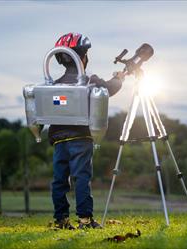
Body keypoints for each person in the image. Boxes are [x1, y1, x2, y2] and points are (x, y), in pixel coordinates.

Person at [49, 33, 124, 230]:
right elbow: (108, 89)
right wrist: (119, 79)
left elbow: (54, 107)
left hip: (58, 140)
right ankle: (85, 220)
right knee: (81, 177)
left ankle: (61, 220)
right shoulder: (90, 80)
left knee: (59, 180)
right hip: (81, 138)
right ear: (83, 57)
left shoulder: (55, 85)